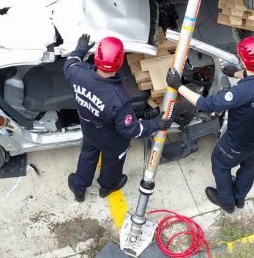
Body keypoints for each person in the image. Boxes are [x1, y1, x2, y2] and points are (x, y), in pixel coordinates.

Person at [166, 36, 254, 213]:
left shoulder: (241, 92)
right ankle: (239, 198)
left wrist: (178, 85)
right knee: (249, 166)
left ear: (243, 61)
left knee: (220, 164)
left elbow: (206, 105)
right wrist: (234, 73)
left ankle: (227, 202)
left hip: (238, 143)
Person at [63, 34, 172, 202]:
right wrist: (156, 124)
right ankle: (108, 186)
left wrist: (81, 48)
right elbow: (132, 130)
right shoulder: (119, 99)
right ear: (120, 63)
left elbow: (70, 62)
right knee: (113, 161)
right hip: (112, 140)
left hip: (89, 129)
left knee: (88, 154)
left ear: (97, 57)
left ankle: (79, 188)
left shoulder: (77, 72)